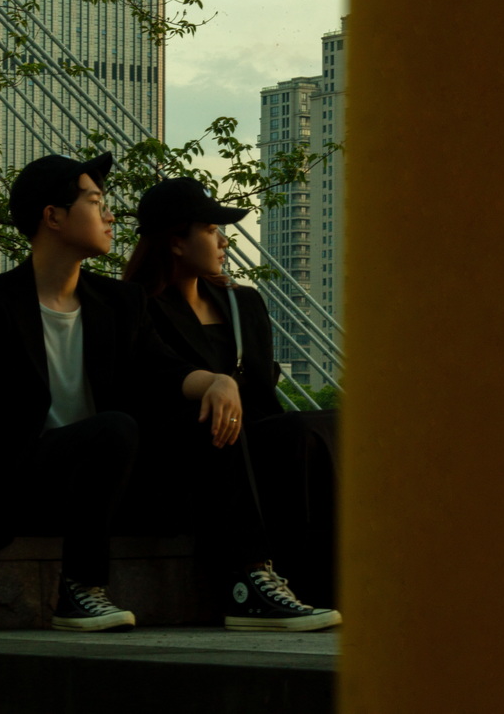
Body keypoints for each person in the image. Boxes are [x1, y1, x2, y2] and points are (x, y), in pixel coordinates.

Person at [0, 153, 243, 633]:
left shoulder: (120, 302)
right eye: (96, 202)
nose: (111, 215)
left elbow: (163, 370)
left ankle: (251, 582)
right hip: (16, 494)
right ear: (53, 216)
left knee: (212, 417)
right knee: (113, 428)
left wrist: (218, 381)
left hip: (108, 490)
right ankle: (80, 590)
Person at [123, 176, 341, 629]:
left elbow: (262, 395)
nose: (224, 241)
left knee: (332, 424)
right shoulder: (136, 307)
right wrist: (213, 385)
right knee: (228, 420)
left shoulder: (243, 304)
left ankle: (329, 580)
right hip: (184, 453)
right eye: (210, 230)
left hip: (250, 440)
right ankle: (249, 583)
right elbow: (148, 384)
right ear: (176, 242)